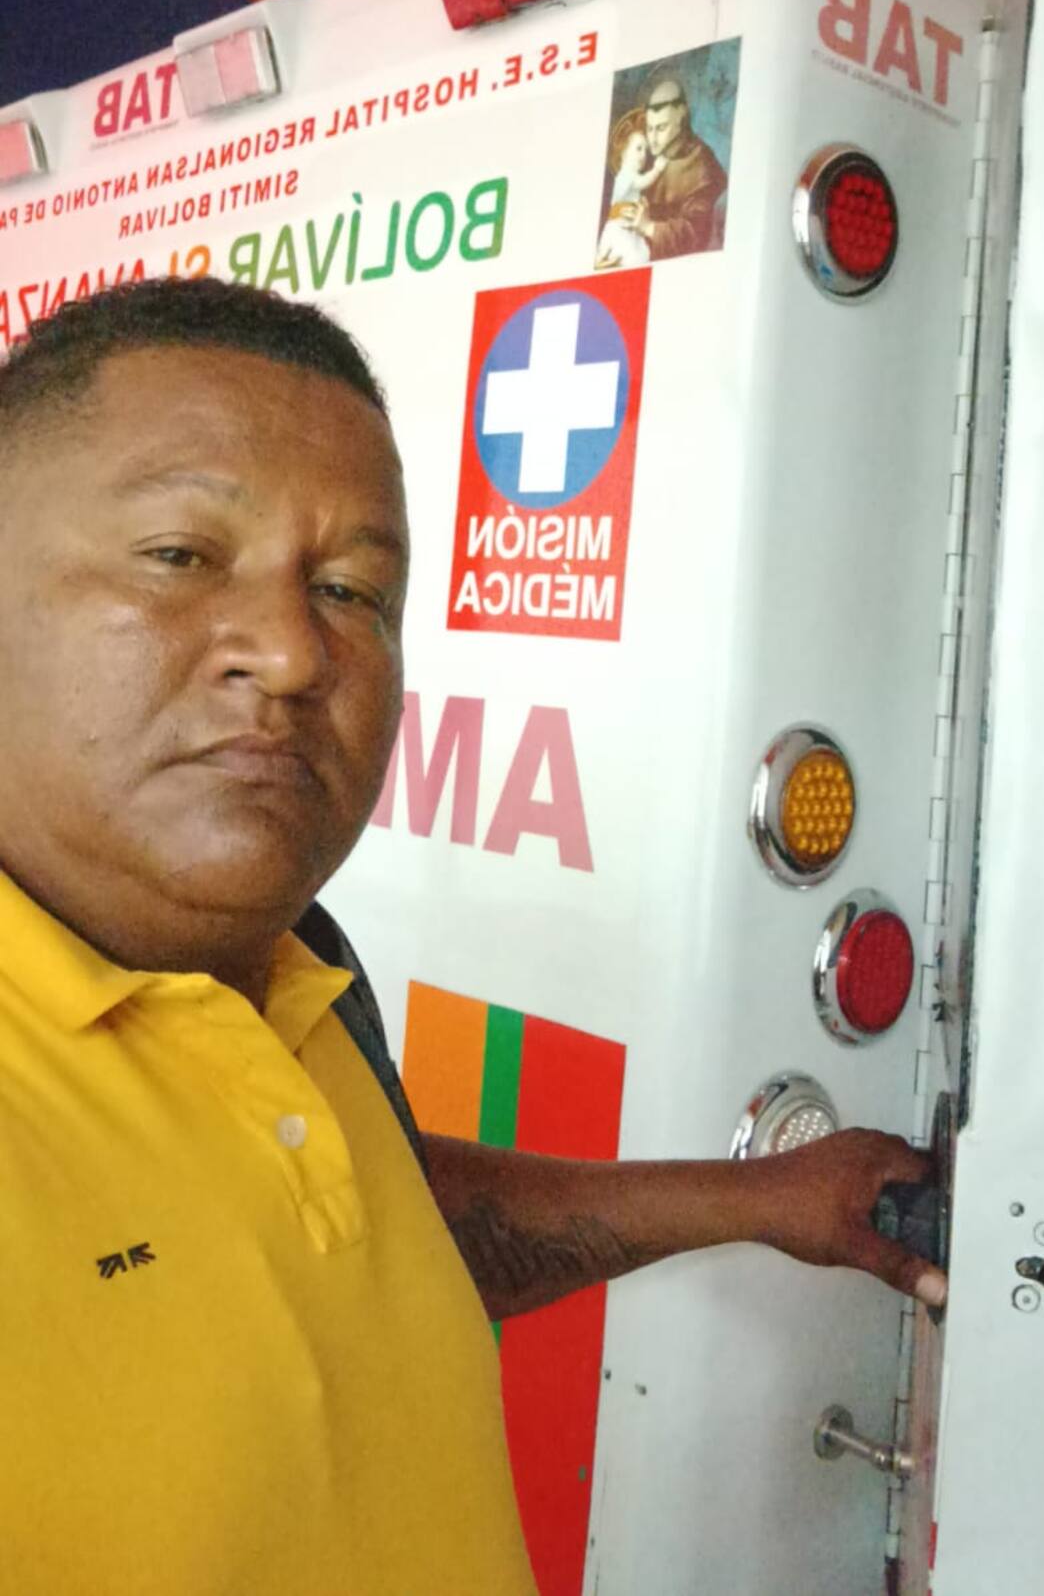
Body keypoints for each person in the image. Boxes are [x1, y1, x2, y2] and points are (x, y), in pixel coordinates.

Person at [0, 276, 942, 1595]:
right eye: (180, 555)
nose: (293, 651)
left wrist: (766, 1199)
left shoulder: (303, 976)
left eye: (352, 589)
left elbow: (387, 1234)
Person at [612, 68, 728, 259]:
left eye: (661, 128)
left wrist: (649, 227)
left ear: (681, 117)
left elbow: (696, 234)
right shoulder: (647, 155)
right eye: (649, 128)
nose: (653, 139)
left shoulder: (703, 165)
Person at [595, 107, 655, 268]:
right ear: (623, 152)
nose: (643, 155)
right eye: (638, 149)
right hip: (619, 231)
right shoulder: (626, 175)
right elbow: (642, 182)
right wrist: (658, 169)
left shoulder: (632, 176)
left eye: (646, 150)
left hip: (631, 232)